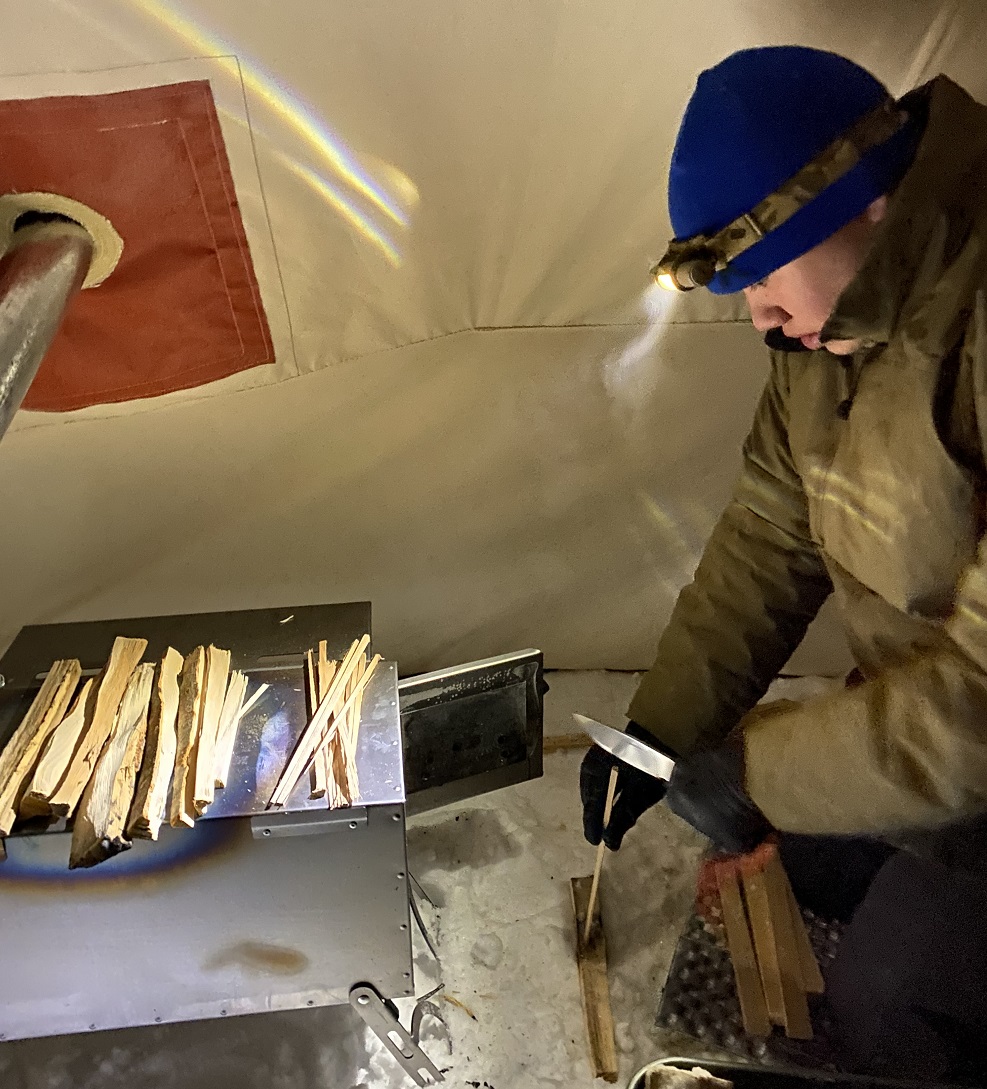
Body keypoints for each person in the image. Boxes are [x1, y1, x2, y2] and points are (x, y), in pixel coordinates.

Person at [580, 45, 987, 1080]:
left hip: (974, 738)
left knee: (886, 1004)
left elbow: (981, 704)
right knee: (775, 873)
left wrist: (758, 770)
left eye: (764, 273)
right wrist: (662, 728)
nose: (757, 313)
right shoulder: (826, 339)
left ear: (873, 209)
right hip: (931, 728)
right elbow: (773, 524)